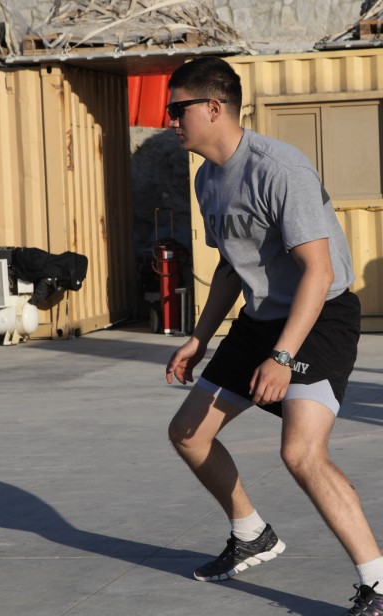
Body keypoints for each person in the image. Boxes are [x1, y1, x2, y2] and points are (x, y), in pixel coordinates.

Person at [164, 56, 383, 615]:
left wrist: (283, 356)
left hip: (319, 318)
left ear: (214, 108)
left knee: (302, 452)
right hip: (260, 319)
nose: (171, 120)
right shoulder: (206, 178)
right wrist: (199, 338)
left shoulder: (278, 168)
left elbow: (320, 270)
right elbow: (231, 266)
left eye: (177, 108)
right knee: (188, 432)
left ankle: (377, 583)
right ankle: (251, 532)